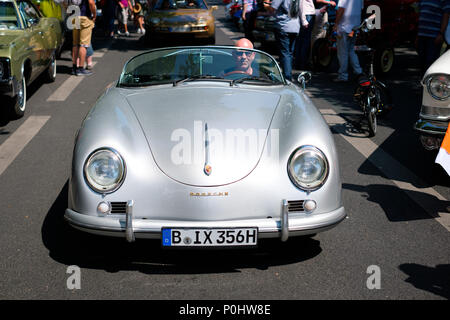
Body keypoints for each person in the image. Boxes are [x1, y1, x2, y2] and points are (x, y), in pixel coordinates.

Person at [264, 0, 300, 81]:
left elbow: (272, 9)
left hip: (284, 26)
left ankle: (287, 77)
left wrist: (266, 5)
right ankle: (288, 73)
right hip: (295, 26)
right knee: (290, 53)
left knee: (285, 53)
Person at [416, 0, 450, 74]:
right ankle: (423, 83)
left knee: (430, 62)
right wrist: (417, 35)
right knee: (421, 62)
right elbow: (420, 15)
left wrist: (441, 33)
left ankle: (429, 83)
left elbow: (446, 16)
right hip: (421, 34)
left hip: (434, 36)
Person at [332, 0, 363, 82]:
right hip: (355, 26)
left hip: (344, 26)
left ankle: (343, 75)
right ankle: (358, 71)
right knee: (351, 50)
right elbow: (361, 8)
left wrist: (336, 24)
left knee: (343, 52)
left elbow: (341, 9)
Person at [72, 0, 96, 76]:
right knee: (83, 45)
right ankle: (80, 69)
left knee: (75, 44)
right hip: (84, 17)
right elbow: (91, 2)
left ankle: (74, 67)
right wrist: (94, 14)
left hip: (74, 17)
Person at [295, 0, 316, 69]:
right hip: (306, 16)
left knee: (303, 41)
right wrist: (304, 20)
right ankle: (301, 64)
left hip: (308, 15)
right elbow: (301, 5)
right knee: (304, 41)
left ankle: (300, 63)